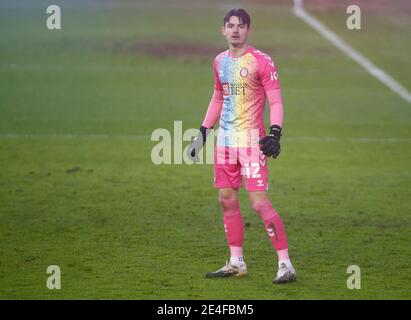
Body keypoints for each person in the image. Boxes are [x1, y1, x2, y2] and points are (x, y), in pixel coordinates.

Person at [188, 8, 296, 284]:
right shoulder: (219, 62)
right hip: (225, 141)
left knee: (259, 203)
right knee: (226, 199)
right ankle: (236, 262)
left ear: (248, 30)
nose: (235, 30)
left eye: (241, 25)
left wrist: (275, 133)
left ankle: (285, 265)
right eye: (230, 25)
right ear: (223, 30)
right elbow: (217, 97)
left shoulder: (262, 61)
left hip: (251, 141)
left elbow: (276, 101)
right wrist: (202, 133)